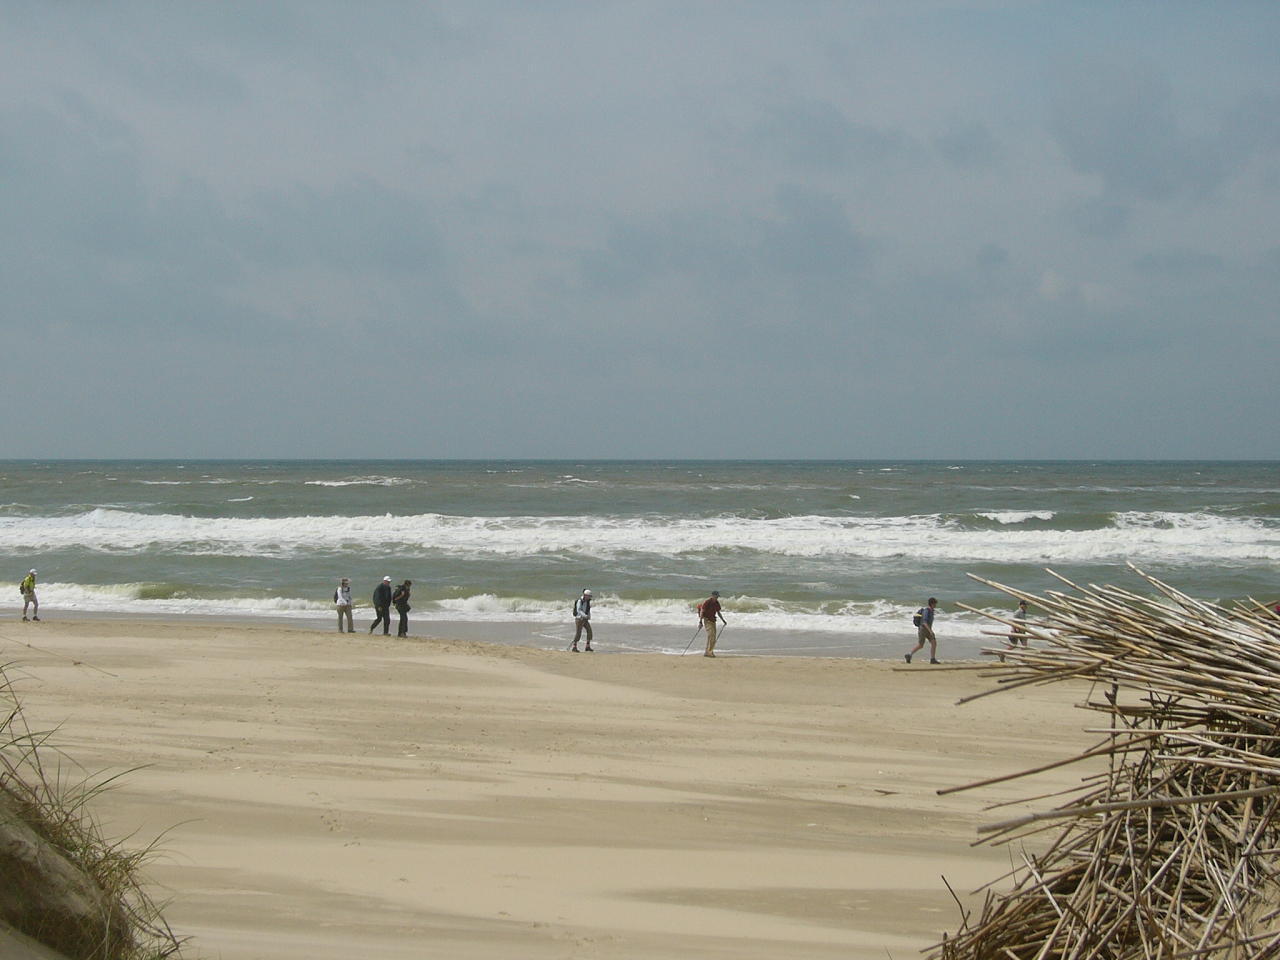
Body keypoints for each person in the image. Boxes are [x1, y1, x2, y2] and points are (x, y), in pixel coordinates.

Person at [904, 597, 939, 664]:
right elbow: (924, 622)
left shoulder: (931, 611)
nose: (935, 605)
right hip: (923, 629)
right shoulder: (926, 611)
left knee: (934, 643)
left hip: (928, 629)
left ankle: (932, 659)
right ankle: (909, 655)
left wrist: (930, 630)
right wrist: (930, 631)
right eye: (935, 604)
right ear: (932, 603)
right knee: (920, 645)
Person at [697, 590, 727, 658]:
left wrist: (723, 620)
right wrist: (700, 622)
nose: (717, 598)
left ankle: (707, 652)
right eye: (716, 596)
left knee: (712, 637)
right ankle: (709, 652)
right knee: (711, 635)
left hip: (713, 620)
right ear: (713, 596)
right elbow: (702, 611)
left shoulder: (716, 603)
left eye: (717, 597)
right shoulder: (707, 602)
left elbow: (718, 612)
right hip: (707, 620)